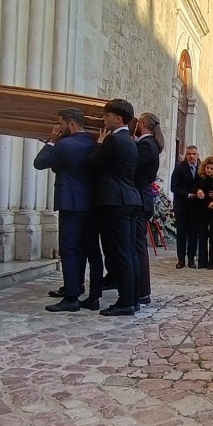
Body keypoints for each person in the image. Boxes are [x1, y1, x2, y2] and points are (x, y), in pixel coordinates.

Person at [33, 108, 102, 312]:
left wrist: (52, 141)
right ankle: (93, 294)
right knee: (91, 250)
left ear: (71, 124)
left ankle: (72, 296)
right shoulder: (93, 143)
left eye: (60, 124)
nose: (58, 128)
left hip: (71, 203)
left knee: (70, 249)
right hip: (91, 204)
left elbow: (39, 163)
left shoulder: (64, 145)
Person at [88, 99, 142, 316]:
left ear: (118, 119)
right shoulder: (129, 140)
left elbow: (91, 164)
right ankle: (133, 298)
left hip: (115, 202)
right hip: (129, 200)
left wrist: (99, 144)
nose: (103, 119)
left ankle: (126, 302)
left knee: (119, 254)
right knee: (128, 253)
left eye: (106, 116)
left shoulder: (113, 140)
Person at [134, 112, 163, 304]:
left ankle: (141, 291)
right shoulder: (150, 144)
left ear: (143, 123)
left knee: (137, 248)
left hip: (139, 198)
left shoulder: (145, 146)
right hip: (143, 198)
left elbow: (134, 170)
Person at [170, 145, 201, 268]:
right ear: (186, 155)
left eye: (194, 154)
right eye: (189, 154)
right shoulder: (179, 168)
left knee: (193, 233)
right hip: (182, 205)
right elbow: (174, 187)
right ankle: (181, 259)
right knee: (182, 233)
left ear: (197, 155)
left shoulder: (201, 168)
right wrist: (188, 195)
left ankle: (191, 259)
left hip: (196, 207)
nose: (192, 156)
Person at [195, 156, 213, 268]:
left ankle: (212, 262)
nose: (209, 170)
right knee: (202, 235)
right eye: (207, 168)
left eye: (211, 168)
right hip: (202, 208)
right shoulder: (200, 177)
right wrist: (198, 190)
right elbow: (195, 186)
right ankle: (202, 261)